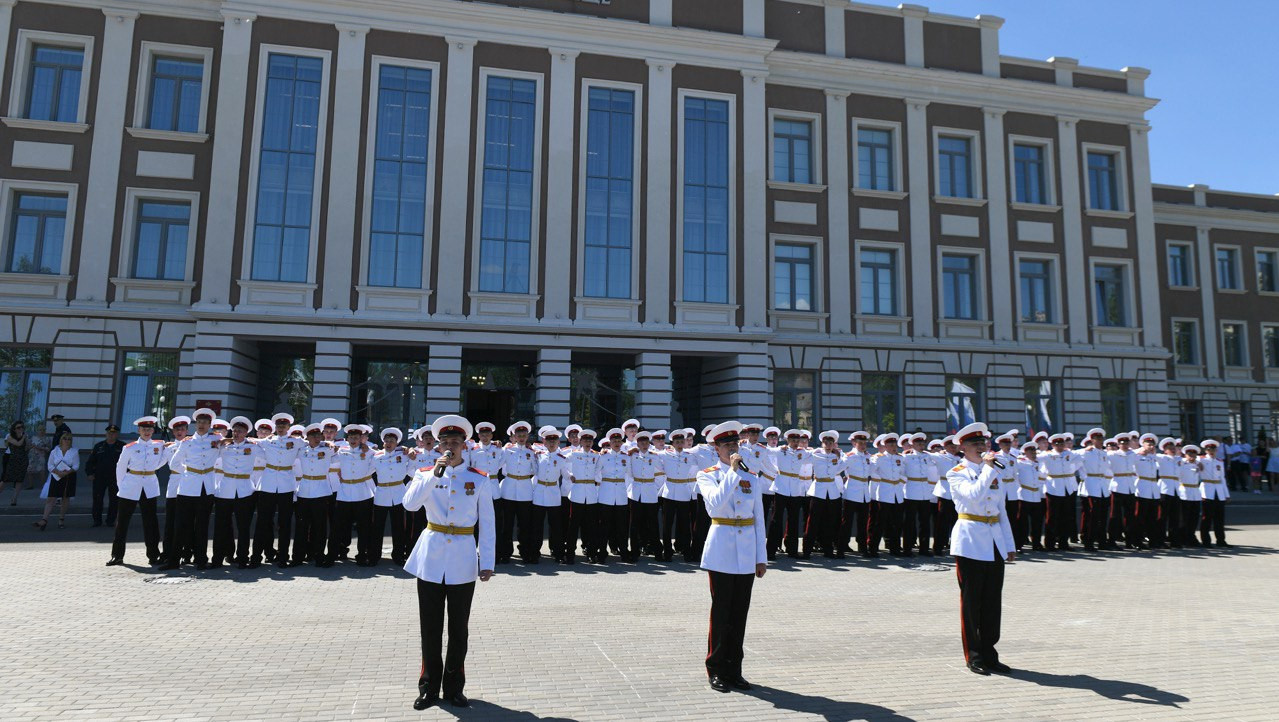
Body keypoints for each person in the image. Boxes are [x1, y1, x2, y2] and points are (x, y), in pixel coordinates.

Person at [402, 415, 495, 710]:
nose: (449, 446)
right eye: (444, 442)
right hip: (430, 558)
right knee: (430, 626)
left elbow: (489, 523)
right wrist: (434, 474)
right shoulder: (426, 473)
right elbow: (410, 504)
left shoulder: (479, 477)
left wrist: (487, 560)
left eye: (455, 442)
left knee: (458, 629)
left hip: (463, 559)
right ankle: (429, 686)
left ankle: (454, 687)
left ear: (464, 446)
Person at [696, 421, 766, 693]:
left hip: (747, 552)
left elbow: (759, 519)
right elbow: (715, 503)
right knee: (721, 612)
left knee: (740, 614)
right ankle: (716, 669)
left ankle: (734, 669)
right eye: (727, 445)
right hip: (722, 551)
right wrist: (733, 473)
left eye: (735, 444)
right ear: (717, 448)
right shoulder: (708, 475)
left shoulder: (752, 478)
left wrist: (761, 558)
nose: (733, 448)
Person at [947, 422, 1015, 676]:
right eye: (975, 444)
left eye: (983, 443)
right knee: (971, 602)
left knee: (991, 602)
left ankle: (990, 652)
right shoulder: (957, 472)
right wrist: (988, 469)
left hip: (994, 540)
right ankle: (973, 655)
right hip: (970, 542)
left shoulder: (994, 471)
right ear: (963, 448)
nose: (981, 447)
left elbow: (1002, 511)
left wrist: (1008, 544)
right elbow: (974, 496)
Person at [108, 416, 166, 566]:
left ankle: (153, 555)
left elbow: (161, 461)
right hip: (131, 485)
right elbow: (120, 468)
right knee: (122, 522)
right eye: (144, 429)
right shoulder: (130, 447)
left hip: (149, 485)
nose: (146, 432)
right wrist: (122, 487)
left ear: (153, 430)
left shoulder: (159, 445)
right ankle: (117, 555)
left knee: (151, 522)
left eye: (149, 429)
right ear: (139, 430)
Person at [212, 417, 262, 568]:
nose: (237, 433)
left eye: (240, 431)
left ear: (246, 433)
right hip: (225, 489)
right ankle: (218, 558)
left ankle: (242, 558)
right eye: (234, 431)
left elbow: (270, 449)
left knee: (244, 527)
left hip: (245, 489)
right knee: (221, 526)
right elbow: (208, 444)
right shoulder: (224, 447)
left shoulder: (254, 447)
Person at [371, 428, 413, 565]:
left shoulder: (404, 454)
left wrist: (409, 450)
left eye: (392, 441)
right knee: (377, 528)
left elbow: (415, 455)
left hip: (398, 494)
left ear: (397, 443)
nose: (389, 443)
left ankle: (399, 556)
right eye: (387, 441)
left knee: (399, 528)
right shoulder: (376, 456)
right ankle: (374, 556)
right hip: (381, 494)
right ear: (383, 443)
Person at [35, 430, 78, 530]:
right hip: (56, 476)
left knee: (65, 498)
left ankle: (61, 519)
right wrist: (58, 472)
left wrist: (66, 472)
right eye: (65, 438)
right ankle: (44, 520)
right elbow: (50, 465)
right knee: (51, 498)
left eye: (69, 439)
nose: (67, 440)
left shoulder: (74, 451)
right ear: (61, 440)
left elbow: (76, 465)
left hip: (68, 477)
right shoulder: (55, 451)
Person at [85, 424, 125, 527]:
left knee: (114, 500)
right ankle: (97, 520)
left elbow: (128, 462)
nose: (111, 435)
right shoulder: (98, 446)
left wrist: (127, 476)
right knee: (98, 499)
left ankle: (110, 521)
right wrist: (89, 473)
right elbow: (90, 462)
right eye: (109, 433)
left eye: (114, 433)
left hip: (116, 478)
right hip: (99, 477)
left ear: (117, 434)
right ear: (106, 434)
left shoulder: (123, 447)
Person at [1197, 439, 1230, 547]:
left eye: (1213, 449)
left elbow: (1223, 478)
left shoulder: (1219, 462)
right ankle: (1206, 541)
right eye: (1209, 449)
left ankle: (1221, 540)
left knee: (1219, 518)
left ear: (1216, 450)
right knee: (1207, 517)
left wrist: (1226, 494)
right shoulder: (1201, 459)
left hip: (1219, 491)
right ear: (1205, 450)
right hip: (1207, 490)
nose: (1211, 451)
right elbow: (1189, 459)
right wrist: (1198, 464)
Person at [1, 421, 31, 505]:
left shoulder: (25, 436)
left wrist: (27, 440)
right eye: (18, 427)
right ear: (14, 429)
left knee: (19, 479)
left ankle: (14, 499)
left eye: (22, 427)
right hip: (12, 459)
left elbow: (27, 447)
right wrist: (23, 437)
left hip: (23, 460)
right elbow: (18, 444)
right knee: (5, 478)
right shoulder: (10, 436)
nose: (21, 429)